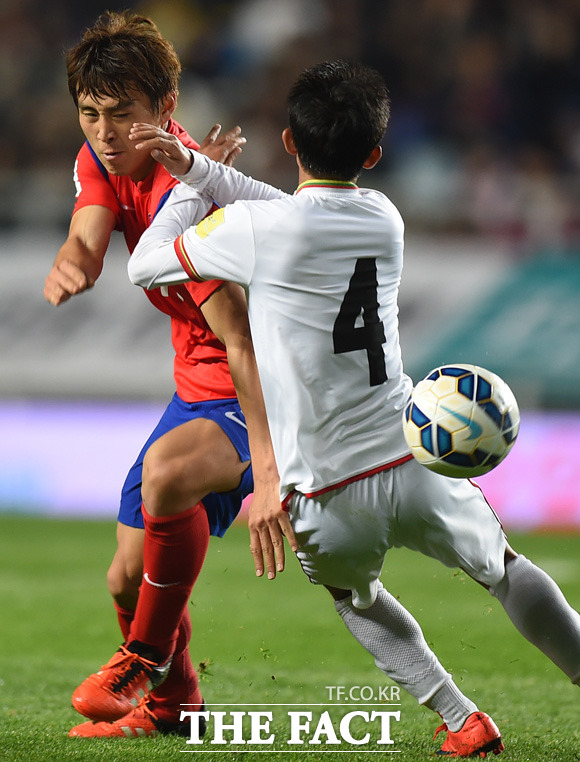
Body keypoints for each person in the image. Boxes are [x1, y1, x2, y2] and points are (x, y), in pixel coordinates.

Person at [125, 60, 580, 757]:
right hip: (412, 452)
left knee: (355, 597)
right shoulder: (383, 217)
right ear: (372, 154)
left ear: (286, 138)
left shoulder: (258, 228)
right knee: (505, 569)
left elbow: (146, 263)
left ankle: (462, 718)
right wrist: (195, 164)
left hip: (327, 489)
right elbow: (285, 207)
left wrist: (190, 188)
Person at [44, 11, 289, 739]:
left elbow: (242, 340)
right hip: (197, 392)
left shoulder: (193, 205)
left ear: (166, 111)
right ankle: (176, 703)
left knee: (165, 473)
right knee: (125, 577)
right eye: (90, 114)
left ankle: (141, 659)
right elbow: (89, 228)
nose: (105, 132)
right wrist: (74, 261)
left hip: (267, 389)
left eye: (123, 115)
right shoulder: (104, 160)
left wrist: (270, 471)